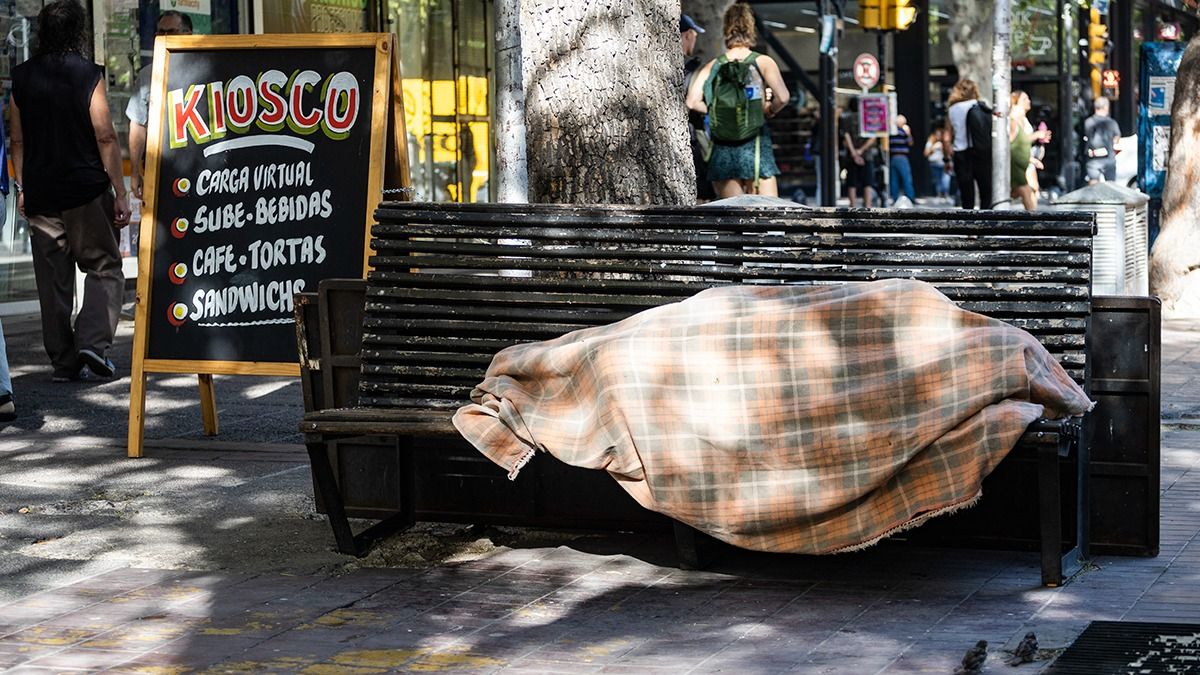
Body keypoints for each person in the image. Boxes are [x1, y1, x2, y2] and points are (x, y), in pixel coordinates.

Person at [10, 0, 131, 382]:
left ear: (42, 32)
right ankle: (93, 343)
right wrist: (121, 191)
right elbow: (106, 135)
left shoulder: (22, 77)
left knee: (52, 280)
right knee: (104, 266)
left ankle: (63, 362)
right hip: (85, 190)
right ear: (79, 32)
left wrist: (22, 188)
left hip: (42, 191)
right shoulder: (87, 74)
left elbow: (17, 139)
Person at [685, 3, 790, 198]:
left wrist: (718, 111)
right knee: (766, 214)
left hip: (723, 148)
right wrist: (768, 110)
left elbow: (691, 102)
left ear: (726, 30)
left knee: (732, 217)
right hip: (756, 144)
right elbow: (783, 97)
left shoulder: (714, 65)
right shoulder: (763, 62)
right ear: (751, 29)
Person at [126, 10, 193, 202]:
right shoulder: (148, 75)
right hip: (159, 169)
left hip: (199, 168)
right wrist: (134, 171)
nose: (163, 38)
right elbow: (137, 124)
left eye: (170, 32)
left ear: (187, 34)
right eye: (159, 33)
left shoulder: (205, 69)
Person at [680, 13, 715, 201]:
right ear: (688, 34)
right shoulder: (694, 68)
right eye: (694, 34)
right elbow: (693, 102)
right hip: (694, 141)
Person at [947, 78, 993, 209]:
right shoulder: (980, 105)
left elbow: (946, 137)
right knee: (986, 193)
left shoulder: (953, 109)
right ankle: (985, 223)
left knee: (967, 196)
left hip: (961, 153)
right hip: (980, 152)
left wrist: (946, 159)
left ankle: (968, 224)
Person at [840, 97, 878, 207]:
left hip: (851, 156)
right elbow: (873, 137)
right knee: (868, 182)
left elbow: (846, 136)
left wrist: (853, 152)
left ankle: (852, 207)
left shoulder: (846, 118)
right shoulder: (867, 118)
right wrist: (861, 150)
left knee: (851, 182)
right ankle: (868, 207)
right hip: (867, 155)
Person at [1084, 96, 1121, 184]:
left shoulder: (1088, 122)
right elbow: (1116, 139)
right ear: (1106, 107)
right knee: (1111, 185)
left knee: (1093, 183)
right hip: (1109, 158)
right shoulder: (1112, 123)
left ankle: (1094, 198)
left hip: (1093, 158)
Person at [888, 113, 915, 203]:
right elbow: (910, 143)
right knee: (906, 178)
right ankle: (910, 198)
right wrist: (908, 133)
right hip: (902, 157)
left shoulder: (891, 133)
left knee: (894, 179)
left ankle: (895, 198)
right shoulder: (903, 132)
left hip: (893, 158)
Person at [924, 118, 952, 202]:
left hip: (944, 162)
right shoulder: (931, 140)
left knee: (946, 179)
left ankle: (946, 195)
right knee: (938, 180)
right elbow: (926, 152)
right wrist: (934, 147)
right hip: (934, 163)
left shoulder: (946, 140)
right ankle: (939, 195)